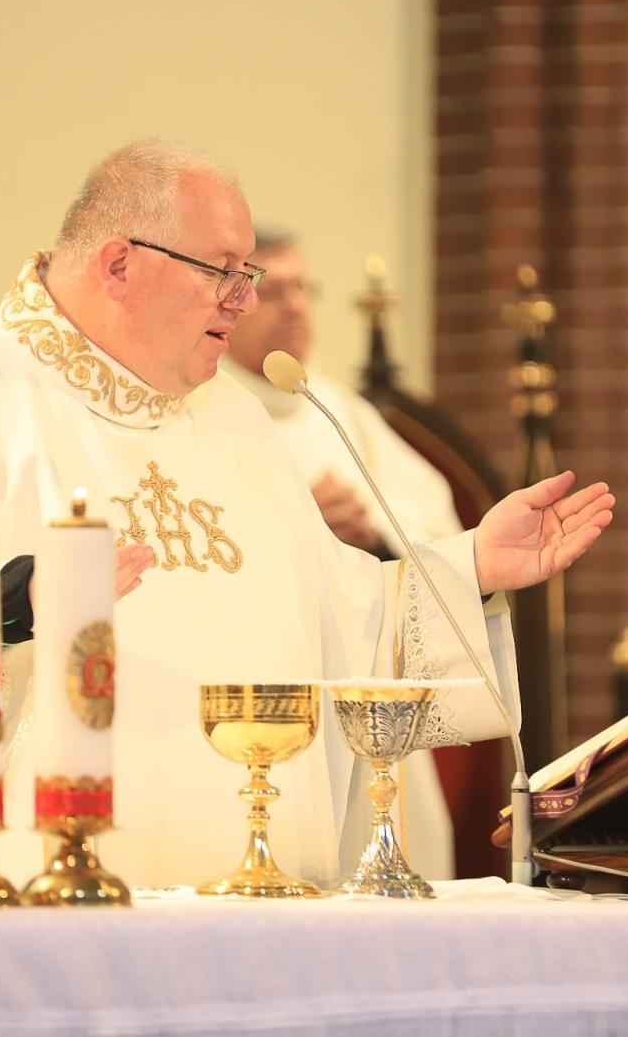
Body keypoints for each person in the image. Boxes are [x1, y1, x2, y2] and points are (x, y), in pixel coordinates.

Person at [0, 139, 614, 894]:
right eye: (224, 270)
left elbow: (343, 635)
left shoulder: (239, 424)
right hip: (34, 923)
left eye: (248, 274)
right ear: (118, 263)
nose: (244, 301)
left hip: (261, 919)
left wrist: (469, 569)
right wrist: (18, 607)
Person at [220, 227, 465, 877]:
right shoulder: (205, 407)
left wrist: (371, 535)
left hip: (366, 680)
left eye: (303, 289)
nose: (295, 306)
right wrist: (300, 521)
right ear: (235, 303)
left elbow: (434, 519)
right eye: (273, 291)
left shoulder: (336, 409)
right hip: (275, 685)